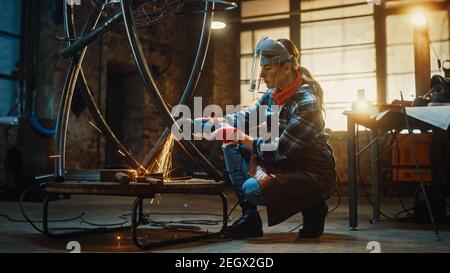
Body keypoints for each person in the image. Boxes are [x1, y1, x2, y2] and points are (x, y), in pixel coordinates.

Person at [200, 37, 337, 239]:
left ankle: (314, 206)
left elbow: (278, 149)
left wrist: (238, 135)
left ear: (288, 67)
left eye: (268, 68)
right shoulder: (273, 94)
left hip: (311, 171)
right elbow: (245, 117)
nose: (262, 74)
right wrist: (214, 121)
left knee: (252, 189)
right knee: (229, 144)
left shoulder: (307, 103)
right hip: (284, 161)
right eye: (261, 67)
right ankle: (250, 219)